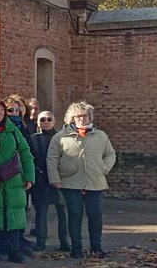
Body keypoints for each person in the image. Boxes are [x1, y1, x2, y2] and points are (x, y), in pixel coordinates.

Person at [47, 101, 116, 258]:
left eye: (85, 116)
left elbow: (110, 154)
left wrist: (104, 168)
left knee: (95, 215)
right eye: (78, 116)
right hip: (70, 182)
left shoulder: (100, 135)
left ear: (90, 117)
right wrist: (55, 179)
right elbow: (52, 158)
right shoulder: (61, 136)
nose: (82, 119)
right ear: (72, 118)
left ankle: (96, 247)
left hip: (95, 182)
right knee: (75, 214)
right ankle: (76, 247)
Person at [0, 97, 35, 262]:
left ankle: (14, 251)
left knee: (15, 215)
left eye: (2, 109)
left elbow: (25, 153)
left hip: (13, 180)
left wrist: (29, 176)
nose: (0, 112)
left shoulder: (13, 130)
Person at [28, 110, 70, 252]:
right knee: (41, 212)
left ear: (54, 121)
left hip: (59, 179)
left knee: (62, 211)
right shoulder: (33, 138)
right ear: (38, 122)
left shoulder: (62, 137)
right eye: (42, 120)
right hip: (40, 181)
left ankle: (64, 241)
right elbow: (30, 157)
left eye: (49, 119)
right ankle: (41, 241)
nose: (46, 122)